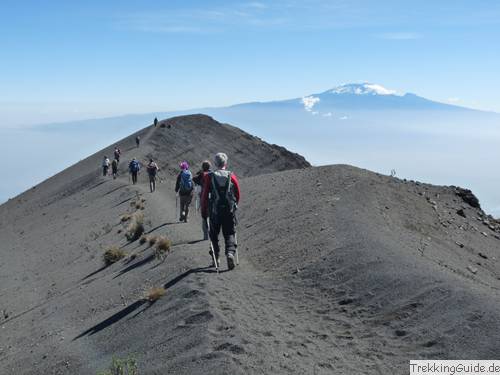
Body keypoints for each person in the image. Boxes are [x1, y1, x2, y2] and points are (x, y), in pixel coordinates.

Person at [201, 153, 240, 270]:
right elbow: (237, 194)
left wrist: (204, 212)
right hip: (228, 210)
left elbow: (204, 196)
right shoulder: (231, 175)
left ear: (215, 163)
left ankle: (216, 258)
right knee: (229, 233)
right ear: (225, 163)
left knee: (213, 234)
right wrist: (234, 205)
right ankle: (230, 253)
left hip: (215, 211)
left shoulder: (209, 176)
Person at [193, 160, 211, 240]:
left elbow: (194, 179)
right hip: (213, 200)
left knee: (204, 218)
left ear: (203, 167)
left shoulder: (202, 175)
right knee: (211, 217)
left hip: (204, 199)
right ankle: (212, 235)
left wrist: (200, 173)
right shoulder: (213, 174)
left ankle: (205, 236)